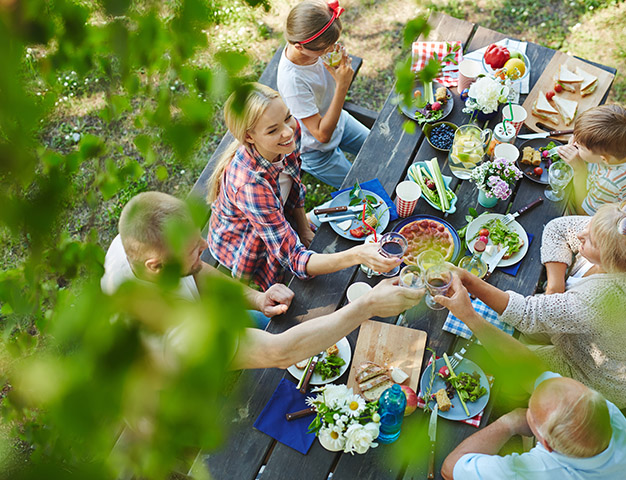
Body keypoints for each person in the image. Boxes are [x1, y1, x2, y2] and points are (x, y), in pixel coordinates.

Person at [103, 191, 423, 370]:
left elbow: (197, 272)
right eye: (192, 248)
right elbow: (279, 353)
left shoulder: (132, 244)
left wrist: (255, 297)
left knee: (273, 319)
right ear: (156, 267)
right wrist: (368, 305)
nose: (205, 247)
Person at [449, 199, 626, 408]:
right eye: (590, 224)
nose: (581, 234)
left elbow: (527, 315)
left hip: (604, 378)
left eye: (590, 241)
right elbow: (558, 228)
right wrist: (555, 288)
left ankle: (525, 401)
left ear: (610, 260)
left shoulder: (603, 299)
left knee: (502, 362)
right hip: (625, 341)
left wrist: (469, 281)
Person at [436, 281, 626, 480]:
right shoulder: (610, 416)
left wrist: (511, 422)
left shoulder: (535, 472)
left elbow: (450, 468)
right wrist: (469, 316)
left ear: (546, 444)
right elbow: (533, 371)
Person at [207, 83, 396, 290]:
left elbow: (295, 187)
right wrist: (358, 255)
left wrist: (304, 229)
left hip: (278, 218)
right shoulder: (250, 186)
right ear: (249, 137)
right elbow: (294, 259)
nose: (288, 131)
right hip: (248, 245)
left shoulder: (288, 137)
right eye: (273, 130)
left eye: (287, 117)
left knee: (351, 210)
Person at [276, 0, 369, 188]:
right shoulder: (292, 81)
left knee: (380, 147)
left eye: (333, 43)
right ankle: (312, 219)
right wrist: (342, 85)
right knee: (363, 188)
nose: (331, 49)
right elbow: (321, 134)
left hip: (339, 121)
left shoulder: (313, 52)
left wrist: (336, 69)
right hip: (316, 150)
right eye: (325, 48)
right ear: (299, 46)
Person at [558, 104, 626, 215]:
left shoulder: (608, 183)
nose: (574, 143)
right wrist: (581, 139)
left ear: (604, 159)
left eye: (580, 146)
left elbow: (583, 214)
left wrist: (579, 170)